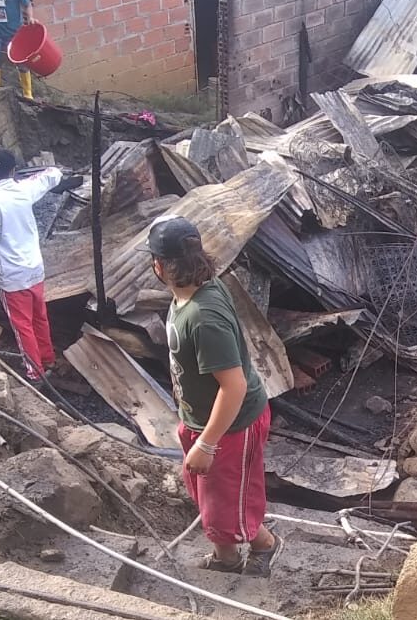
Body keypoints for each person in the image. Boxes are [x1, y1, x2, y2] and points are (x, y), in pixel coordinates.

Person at [145, 215, 283, 576]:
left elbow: (233, 385)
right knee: (209, 494)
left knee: (227, 499)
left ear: (158, 266)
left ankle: (260, 547)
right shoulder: (194, 293)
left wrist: (207, 443)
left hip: (231, 424)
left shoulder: (204, 317)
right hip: (205, 419)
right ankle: (230, 555)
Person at [0, 150, 80, 380]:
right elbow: (52, 173)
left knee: (23, 326)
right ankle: (47, 358)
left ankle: (34, 371)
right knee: (40, 317)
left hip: (12, 276)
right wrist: (44, 172)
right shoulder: (25, 189)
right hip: (35, 268)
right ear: (13, 170)